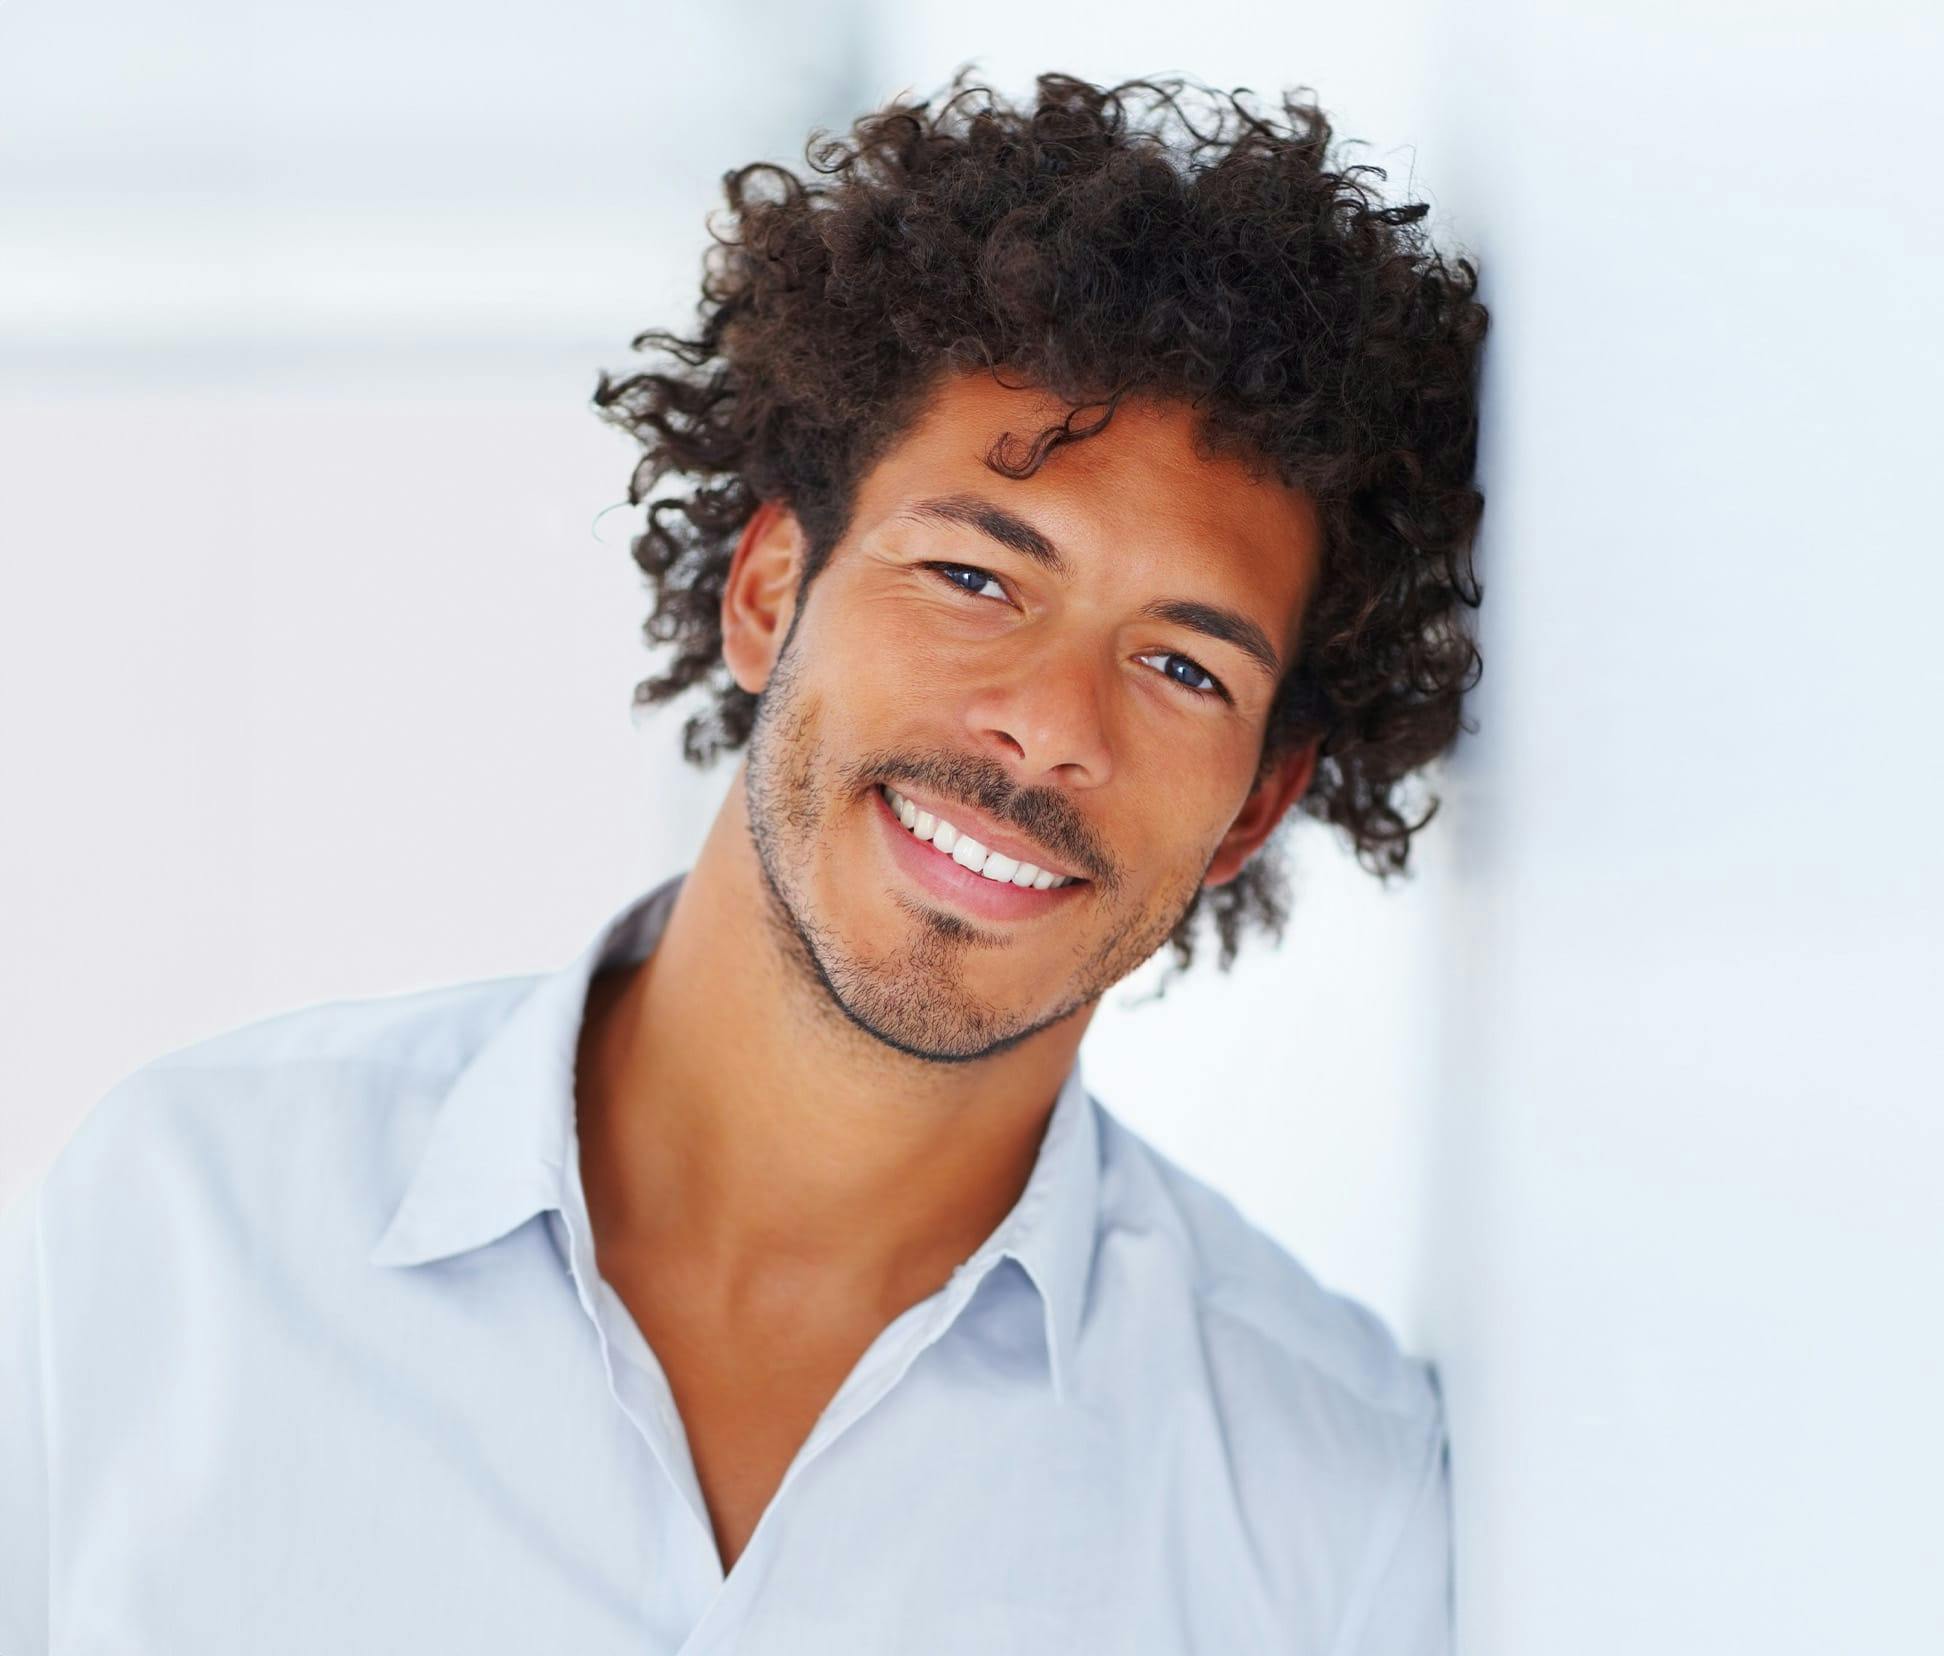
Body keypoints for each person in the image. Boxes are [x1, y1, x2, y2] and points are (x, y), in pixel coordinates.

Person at [0, 70, 1486, 1654]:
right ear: (771, 591)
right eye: (975, 576)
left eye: (1185, 668)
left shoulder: (1334, 1515)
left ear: (1253, 808)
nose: (1051, 726)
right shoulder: (191, 1220)